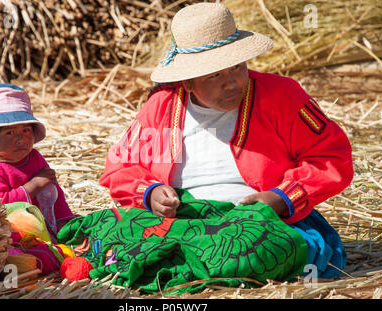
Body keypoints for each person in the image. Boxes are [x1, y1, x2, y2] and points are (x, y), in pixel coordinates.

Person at [99, 3, 353, 278]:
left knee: (251, 250)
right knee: (104, 233)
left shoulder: (281, 97)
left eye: (237, 68)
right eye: (215, 75)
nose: (231, 83)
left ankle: (182, 266)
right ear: (187, 82)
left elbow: (330, 158)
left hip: (257, 222)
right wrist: (150, 193)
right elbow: (121, 169)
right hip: (184, 220)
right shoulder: (163, 108)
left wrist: (281, 198)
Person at [0, 83, 78, 274]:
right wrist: (32, 186)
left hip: (46, 232)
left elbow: (54, 195)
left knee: (90, 231)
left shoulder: (35, 157)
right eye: (10, 132)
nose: (20, 139)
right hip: (10, 237)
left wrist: (67, 222)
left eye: (25, 130)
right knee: (30, 261)